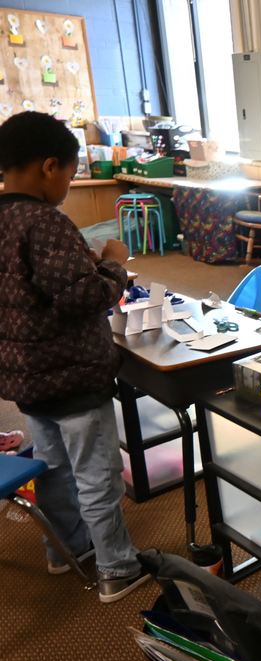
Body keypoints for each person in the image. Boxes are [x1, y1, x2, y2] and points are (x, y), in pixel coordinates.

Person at [0, 112, 149, 602]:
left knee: (54, 469)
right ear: (49, 167)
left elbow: (30, 288)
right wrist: (114, 264)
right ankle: (116, 569)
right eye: (69, 171)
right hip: (72, 376)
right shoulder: (44, 221)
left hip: (25, 377)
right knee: (97, 475)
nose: (68, 182)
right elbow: (84, 298)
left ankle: (64, 550)